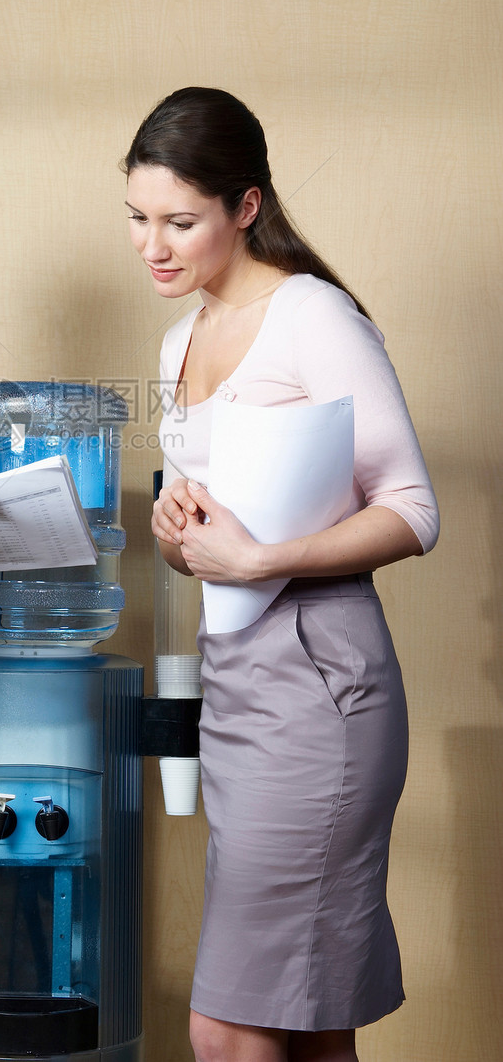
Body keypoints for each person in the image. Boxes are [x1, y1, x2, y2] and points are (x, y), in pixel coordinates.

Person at [124, 88, 439, 1062]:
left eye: (179, 220)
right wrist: (173, 523)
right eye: (136, 218)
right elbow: (199, 531)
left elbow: (413, 507)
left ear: (245, 206)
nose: (152, 245)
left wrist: (261, 557)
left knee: (226, 1024)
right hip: (236, 690)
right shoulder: (177, 341)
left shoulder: (311, 315)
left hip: (320, 694)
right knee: (307, 1023)